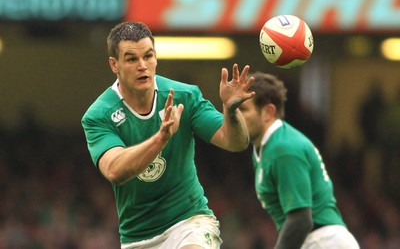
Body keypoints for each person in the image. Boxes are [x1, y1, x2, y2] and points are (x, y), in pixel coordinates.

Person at [81, 21, 255, 249]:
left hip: (189, 222)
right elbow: (115, 170)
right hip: (138, 237)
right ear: (114, 64)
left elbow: (235, 142)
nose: (142, 65)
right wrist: (160, 139)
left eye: (148, 56)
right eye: (132, 59)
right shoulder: (98, 115)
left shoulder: (186, 96)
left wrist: (231, 111)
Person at [238, 72, 360, 249]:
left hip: (323, 242)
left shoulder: (283, 149)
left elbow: (301, 219)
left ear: (268, 112)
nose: (235, 116)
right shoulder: (267, 146)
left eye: (243, 109)